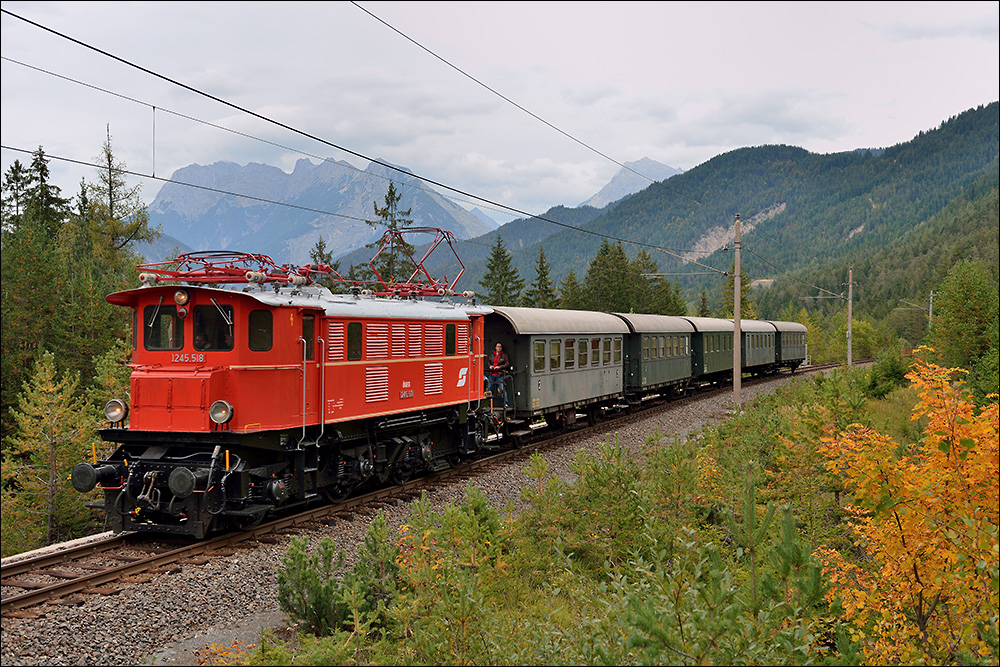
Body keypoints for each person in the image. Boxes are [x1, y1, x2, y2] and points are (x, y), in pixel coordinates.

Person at [486, 342, 509, 407]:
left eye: (500, 346)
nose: (499, 348)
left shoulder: (504, 355)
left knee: (502, 389)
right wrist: (490, 366)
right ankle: (486, 404)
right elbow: (488, 362)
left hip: (499, 375)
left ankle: (505, 403)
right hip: (492, 374)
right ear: (495, 347)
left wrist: (499, 367)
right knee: (489, 389)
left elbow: (507, 364)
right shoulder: (492, 354)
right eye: (498, 346)